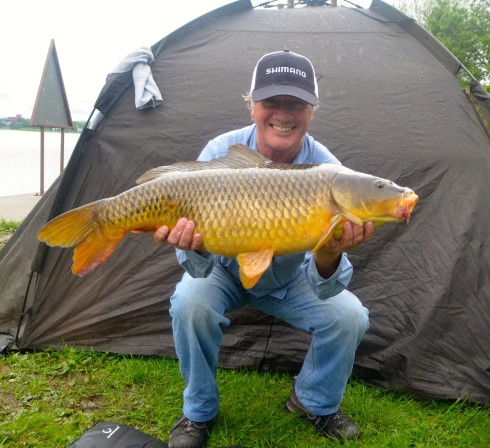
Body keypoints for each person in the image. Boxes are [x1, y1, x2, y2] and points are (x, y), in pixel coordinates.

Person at [155, 50, 374, 448]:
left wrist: (329, 255)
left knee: (350, 316)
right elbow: (195, 267)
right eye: (271, 102)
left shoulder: (330, 172)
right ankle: (198, 412)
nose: (283, 114)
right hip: (223, 270)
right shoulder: (220, 151)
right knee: (190, 301)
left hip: (290, 277)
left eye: (296, 104)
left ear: (313, 110)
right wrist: (196, 248)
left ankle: (313, 400)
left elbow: (326, 285)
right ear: (251, 104)